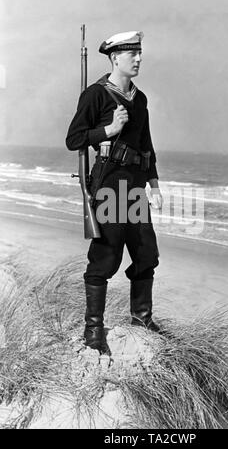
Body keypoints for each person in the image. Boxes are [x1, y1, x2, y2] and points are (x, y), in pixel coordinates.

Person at [66, 31, 163, 355]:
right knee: (106, 256)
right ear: (114, 58)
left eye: (139, 52)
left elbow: (146, 145)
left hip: (135, 187)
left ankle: (142, 318)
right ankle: (93, 330)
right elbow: (74, 138)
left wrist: (155, 184)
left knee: (146, 252)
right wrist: (108, 130)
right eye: (131, 53)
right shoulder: (96, 95)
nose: (137, 58)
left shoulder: (141, 98)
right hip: (109, 184)